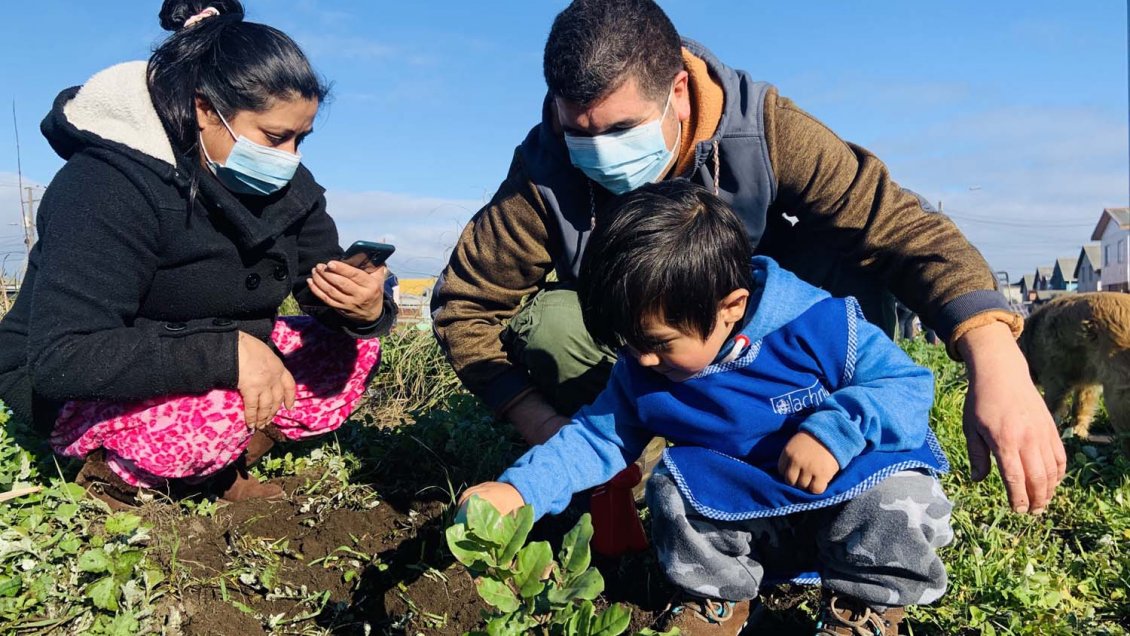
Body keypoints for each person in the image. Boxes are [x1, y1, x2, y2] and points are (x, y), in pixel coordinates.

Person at [432, 0, 1064, 516]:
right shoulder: (546, 169)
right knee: (554, 326)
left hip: (775, 343)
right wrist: (534, 416)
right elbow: (465, 302)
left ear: (678, 90)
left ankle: (840, 436)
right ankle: (645, 458)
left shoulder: (763, 130)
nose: (599, 151)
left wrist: (996, 354)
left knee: (850, 261)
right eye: (580, 132)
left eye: (619, 131)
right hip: (649, 359)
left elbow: (899, 225)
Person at [461, 182, 953, 635]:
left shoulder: (818, 325)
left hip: (847, 495)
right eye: (629, 343)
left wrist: (836, 430)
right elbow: (594, 438)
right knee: (674, 485)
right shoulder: (641, 370)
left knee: (902, 490)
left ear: (731, 307)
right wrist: (518, 490)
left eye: (659, 343)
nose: (642, 359)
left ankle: (865, 602)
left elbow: (906, 384)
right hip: (750, 515)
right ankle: (722, 601)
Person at [0, 0, 396, 506]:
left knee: (351, 347)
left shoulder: (288, 186)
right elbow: (65, 356)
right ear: (205, 109)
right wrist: (226, 352)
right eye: (275, 137)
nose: (290, 158)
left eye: (301, 138)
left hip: (211, 354)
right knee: (219, 402)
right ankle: (112, 473)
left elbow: (317, 284)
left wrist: (360, 307)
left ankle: (223, 462)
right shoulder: (105, 184)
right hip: (79, 379)